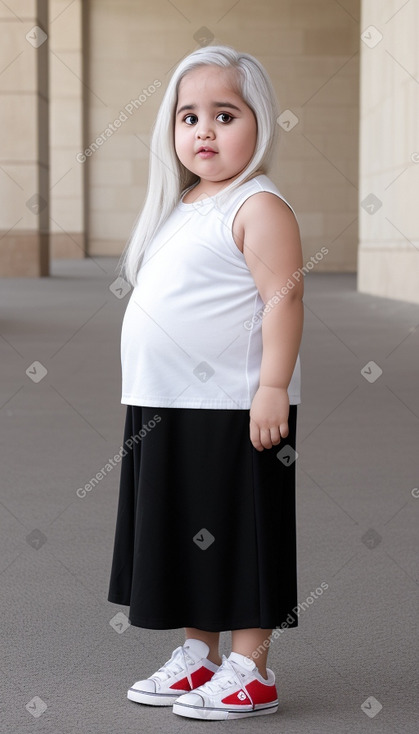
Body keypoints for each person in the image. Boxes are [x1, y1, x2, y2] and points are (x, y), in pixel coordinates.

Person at [107, 44, 304, 721]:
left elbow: (283, 299)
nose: (204, 131)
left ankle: (251, 666)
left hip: (234, 405)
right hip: (166, 404)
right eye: (188, 117)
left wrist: (271, 386)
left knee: (240, 529)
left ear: (261, 123)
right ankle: (201, 655)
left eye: (224, 114)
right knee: (189, 530)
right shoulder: (183, 204)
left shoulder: (258, 204)